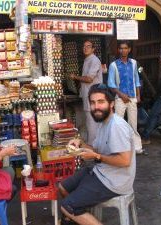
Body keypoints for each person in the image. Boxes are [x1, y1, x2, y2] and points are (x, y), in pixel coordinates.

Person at [59, 84, 136, 225]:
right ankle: (78, 217)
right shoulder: (103, 122)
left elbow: (125, 161)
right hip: (102, 172)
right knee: (63, 188)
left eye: (101, 102)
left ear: (111, 104)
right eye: (93, 103)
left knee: (67, 206)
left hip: (115, 181)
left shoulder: (116, 126)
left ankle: (74, 212)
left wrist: (96, 157)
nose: (96, 107)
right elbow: (96, 149)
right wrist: (80, 143)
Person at [107, 41, 143, 154]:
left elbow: (137, 80)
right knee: (118, 124)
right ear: (118, 50)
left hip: (132, 98)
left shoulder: (133, 63)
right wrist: (121, 95)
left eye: (125, 48)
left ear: (129, 50)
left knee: (133, 124)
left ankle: (137, 147)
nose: (123, 50)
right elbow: (111, 84)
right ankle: (118, 148)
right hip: (119, 98)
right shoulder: (113, 65)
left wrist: (138, 95)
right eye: (121, 48)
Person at [70, 40, 103, 145]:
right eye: (84, 46)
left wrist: (75, 77)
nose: (85, 48)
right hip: (88, 95)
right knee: (90, 121)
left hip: (93, 96)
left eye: (88, 46)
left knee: (92, 122)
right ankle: (93, 144)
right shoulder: (87, 60)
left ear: (93, 49)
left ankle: (92, 146)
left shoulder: (94, 60)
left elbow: (89, 79)